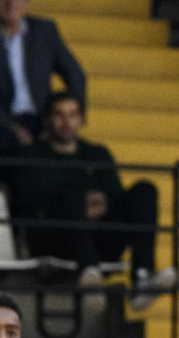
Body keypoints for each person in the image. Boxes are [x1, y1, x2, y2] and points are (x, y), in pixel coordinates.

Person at [16, 92, 170, 311]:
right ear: (47, 120)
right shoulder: (31, 156)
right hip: (56, 242)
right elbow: (32, 202)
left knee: (145, 190)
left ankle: (142, 277)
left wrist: (94, 205)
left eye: (72, 115)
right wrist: (78, 202)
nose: (66, 122)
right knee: (70, 195)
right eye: (59, 115)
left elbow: (116, 199)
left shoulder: (97, 153)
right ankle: (89, 276)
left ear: (82, 119)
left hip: (100, 241)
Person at [0, 0, 87, 156]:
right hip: (3, 120)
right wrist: (12, 127)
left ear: (27, 2)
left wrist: (74, 115)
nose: (10, 4)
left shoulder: (44, 31)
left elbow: (74, 74)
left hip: (42, 118)